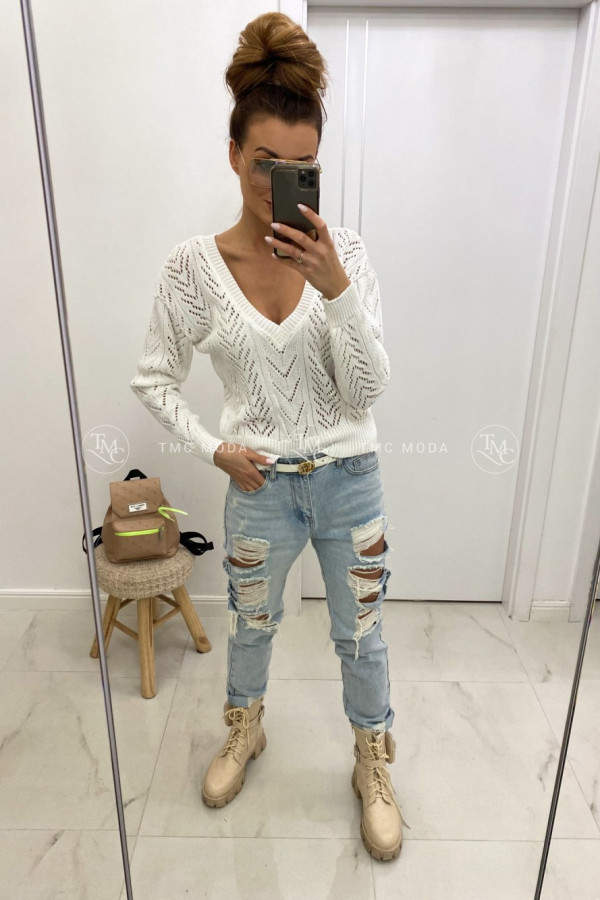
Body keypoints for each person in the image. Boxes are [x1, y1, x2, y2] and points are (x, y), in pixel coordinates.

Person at [130, 11, 409, 860]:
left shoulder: (345, 255)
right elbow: (153, 377)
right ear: (232, 154)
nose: (277, 183)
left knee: (361, 631)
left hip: (350, 478)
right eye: (263, 163)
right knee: (251, 624)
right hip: (258, 485)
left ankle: (372, 757)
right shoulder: (192, 268)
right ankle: (244, 728)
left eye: (300, 169)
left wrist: (335, 289)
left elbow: (369, 390)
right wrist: (213, 448)